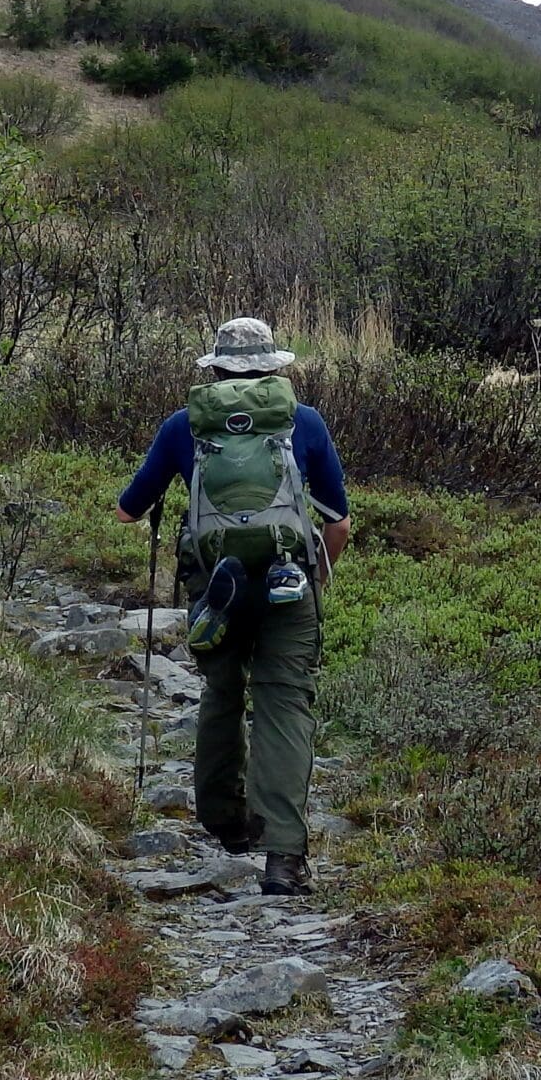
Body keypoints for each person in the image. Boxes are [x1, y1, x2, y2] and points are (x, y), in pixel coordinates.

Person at [116, 318, 353, 897]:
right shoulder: (303, 422)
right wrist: (316, 576)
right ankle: (284, 860)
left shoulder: (183, 427)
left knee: (222, 693)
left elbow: (127, 510)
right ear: (275, 367)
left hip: (212, 588)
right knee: (284, 704)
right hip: (288, 586)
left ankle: (226, 822)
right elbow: (337, 521)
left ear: (214, 368)